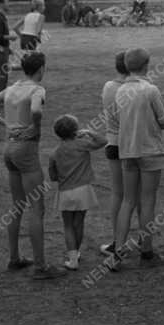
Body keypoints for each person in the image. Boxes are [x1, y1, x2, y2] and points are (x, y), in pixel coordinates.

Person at [0, 51, 66, 280]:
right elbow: (36, 110)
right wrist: (35, 126)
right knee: (37, 208)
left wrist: (6, 123)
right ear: (41, 69)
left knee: (17, 205)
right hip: (26, 150)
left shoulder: (13, 88)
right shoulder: (37, 89)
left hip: (9, 147)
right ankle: (40, 266)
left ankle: (14, 258)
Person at [108, 48, 164, 270]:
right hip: (150, 151)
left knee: (128, 200)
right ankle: (147, 251)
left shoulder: (119, 91)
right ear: (146, 65)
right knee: (147, 201)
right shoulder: (150, 90)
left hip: (127, 151)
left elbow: (118, 119)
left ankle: (117, 252)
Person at [48, 115, 107, 270]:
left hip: (65, 192)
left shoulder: (55, 153)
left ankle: (72, 258)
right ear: (75, 131)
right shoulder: (82, 144)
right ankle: (77, 254)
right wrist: (88, 132)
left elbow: (53, 177)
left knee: (67, 225)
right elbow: (103, 141)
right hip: (83, 190)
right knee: (78, 223)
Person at [99, 52, 137, 256]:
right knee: (136, 194)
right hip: (131, 144)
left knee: (117, 193)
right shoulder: (133, 89)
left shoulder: (108, 86)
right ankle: (141, 239)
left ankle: (117, 240)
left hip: (113, 142)